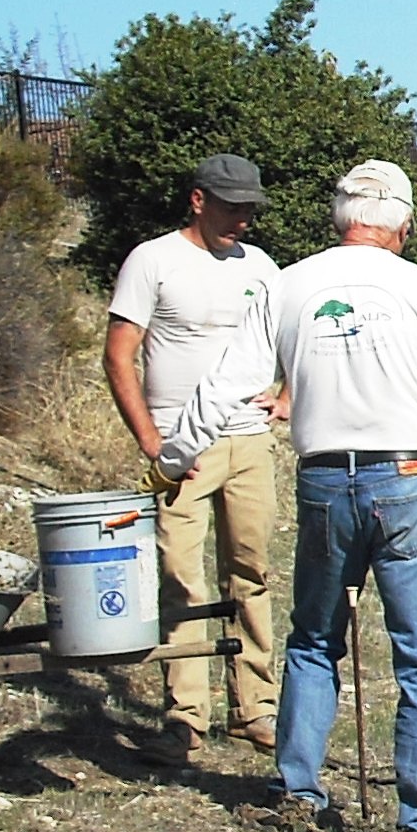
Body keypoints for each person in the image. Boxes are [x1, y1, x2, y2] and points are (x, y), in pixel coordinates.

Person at [266, 160, 417, 832]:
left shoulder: (287, 283)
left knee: (313, 639)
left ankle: (296, 792)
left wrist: (175, 453)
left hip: (323, 481)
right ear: (402, 224)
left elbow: (249, 384)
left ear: (340, 218)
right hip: (406, 480)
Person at [103, 154, 283, 767]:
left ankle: (255, 708)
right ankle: (185, 717)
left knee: (251, 572)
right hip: (183, 449)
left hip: (250, 442)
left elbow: (291, 340)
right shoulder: (152, 261)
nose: (243, 221)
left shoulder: (260, 266)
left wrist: (287, 397)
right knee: (181, 579)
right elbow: (119, 355)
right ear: (199, 200)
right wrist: (155, 445)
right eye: (232, 207)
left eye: (250, 209)